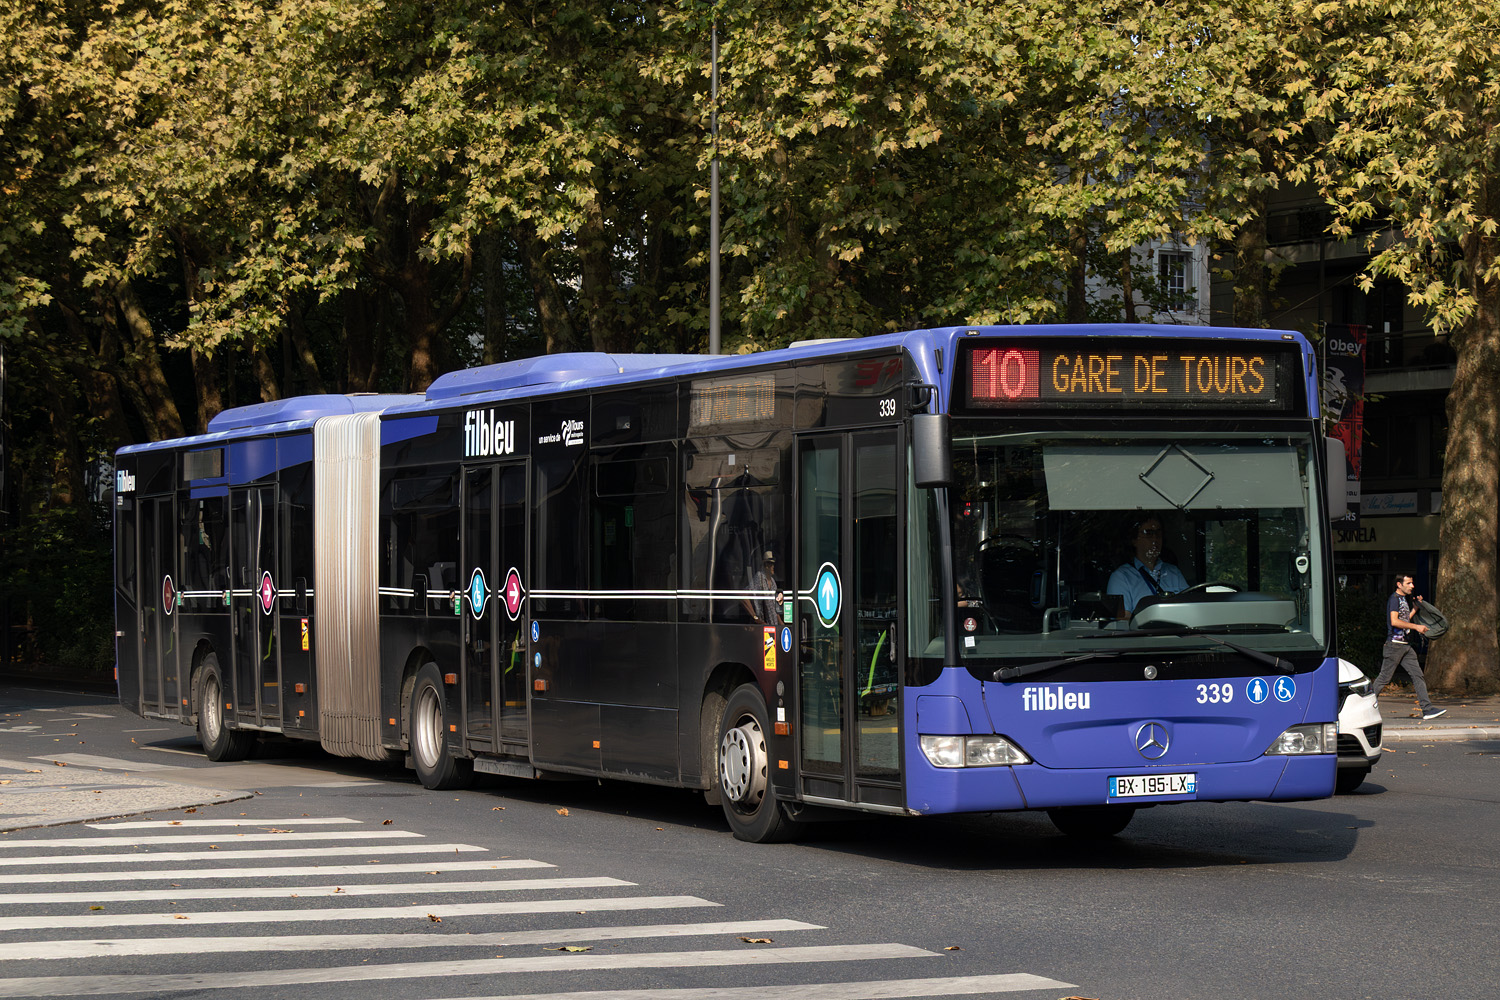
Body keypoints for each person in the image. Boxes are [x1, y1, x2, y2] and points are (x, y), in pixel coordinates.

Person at [1371, 573, 1446, 720]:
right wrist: (1416, 627)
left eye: (1412, 583)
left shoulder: (1403, 599)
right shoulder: (1394, 599)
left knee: (1418, 676)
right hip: (1394, 646)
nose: (1412, 586)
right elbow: (1394, 621)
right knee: (1384, 679)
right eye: (1409, 583)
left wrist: (1415, 609)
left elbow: (1403, 619)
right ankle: (1363, 708)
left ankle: (1427, 709)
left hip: (1405, 647)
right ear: (1399, 584)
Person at [1106, 515, 1189, 618]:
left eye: (1158, 533)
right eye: (1148, 533)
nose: (1155, 538)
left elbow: (1189, 609)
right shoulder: (1121, 577)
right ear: (1134, 540)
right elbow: (1122, 621)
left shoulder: (1173, 572)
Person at [744, 550, 781, 625]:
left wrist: (781, 624)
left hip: (773, 626)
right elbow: (744, 595)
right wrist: (756, 618)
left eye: (773, 564)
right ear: (766, 565)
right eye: (770, 564)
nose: (773, 566)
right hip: (762, 625)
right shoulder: (759, 577)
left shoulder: (773, 582)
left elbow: (775, 608)